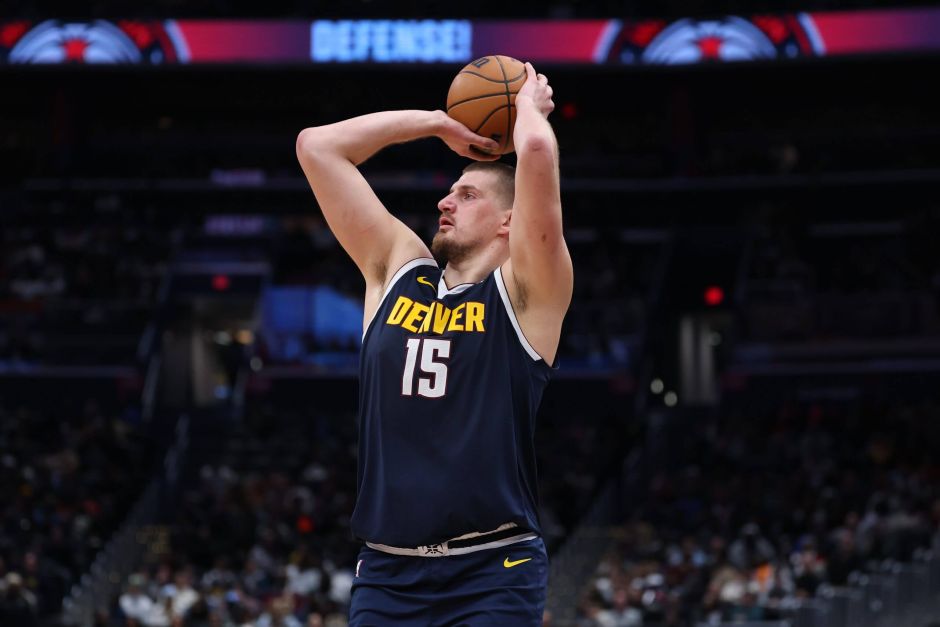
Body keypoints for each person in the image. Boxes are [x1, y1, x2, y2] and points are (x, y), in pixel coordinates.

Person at [295, 61, 572, 625]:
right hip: (386, 573)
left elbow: (536, 153)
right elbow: (317, 147)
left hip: (494, 569)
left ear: (509, 222)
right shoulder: (397, 270)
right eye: (449, 193)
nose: (445, 202)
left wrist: (528, 111)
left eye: (466, 195)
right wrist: (436, 123)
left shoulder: (528, 293)